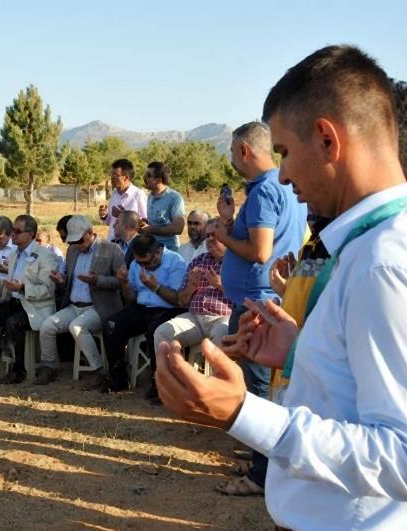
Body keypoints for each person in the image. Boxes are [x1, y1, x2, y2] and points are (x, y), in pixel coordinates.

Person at [155, 45, 407, 529]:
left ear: (327, 139)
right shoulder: (392, 241)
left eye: (287, 152)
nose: (286, 174)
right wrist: (304, 353)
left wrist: (239, 412)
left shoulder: (387, 261)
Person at [211, 120, 307, 496]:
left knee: (259, 388)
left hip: (257, 302)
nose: (232, 160)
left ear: (245, 151)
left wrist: (221, 236)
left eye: (233, 152)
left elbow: (261, 251)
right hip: (267, 298)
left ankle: (262, 474)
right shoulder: (278, 186)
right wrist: (230, 222)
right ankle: (260, 461)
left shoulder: (265, 192)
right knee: (264, 386)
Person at [0, 215, 57, 383]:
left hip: (34, 307)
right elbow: (9, 285)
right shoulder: (15, 255)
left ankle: (18, 370)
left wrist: (22, 288)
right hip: (14, 301)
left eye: (17, 231)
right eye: (12, 231)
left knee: (13, 323)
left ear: (30, 234)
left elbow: (48, 289)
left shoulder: (45, 255)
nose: (12, 234)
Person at [36, 215, 125, 385]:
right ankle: (49, 367)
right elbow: (69, 277)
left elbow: (121, 282)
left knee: (77, 327)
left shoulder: (112, 249)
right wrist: (61, 280)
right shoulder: (73, 250)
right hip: (74, 306)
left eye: (80, 240)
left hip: (99, 307)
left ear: (90, 232)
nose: (78, 245)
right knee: (47, 325)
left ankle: (99, 370)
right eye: (73, 242)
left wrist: (98, 281)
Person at [100, 233, 187, 399]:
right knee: (111, 325)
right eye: (141, 263)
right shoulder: (135, 264)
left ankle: (159, 383)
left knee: (156, 330)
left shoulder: (176, 262)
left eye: (148, 262)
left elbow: (178, 300)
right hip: (141, 307)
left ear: (158, 251)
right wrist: (124, 283)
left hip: (168, 309)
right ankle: (118, 378)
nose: (144, 266)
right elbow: (131, 298)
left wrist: (156, 287)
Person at [153, 218, 232, 353]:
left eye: (215, 235)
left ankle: (219, 374)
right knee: (162, 333)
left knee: (222, 334)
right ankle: (172, 374)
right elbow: (181, 301)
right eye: (207, 236)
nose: (210, 239)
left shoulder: (236, 263)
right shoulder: (198, 261)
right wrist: (191, 286)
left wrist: (220, 285)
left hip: (223, 317)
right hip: (195, 317)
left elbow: (244, 299)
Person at [139, 162, 186, 252]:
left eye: (148, 175)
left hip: (169, 250)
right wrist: (144, 224)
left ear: (159, 180)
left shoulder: (175, 198)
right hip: (152, 249)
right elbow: (156, 223)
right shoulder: (151, 196)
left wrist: (152, 230)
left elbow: (178, 228)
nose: (145, 178)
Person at [99, 159, 147, 241]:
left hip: (130, 245)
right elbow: (111, 221)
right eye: (111, 175)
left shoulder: (138, 195)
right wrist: (104, 216)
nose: (112, 178)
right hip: (112, 242)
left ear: (126, 177)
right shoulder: (114, 194)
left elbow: (145, 223)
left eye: (115, 175)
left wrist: (122, 215)